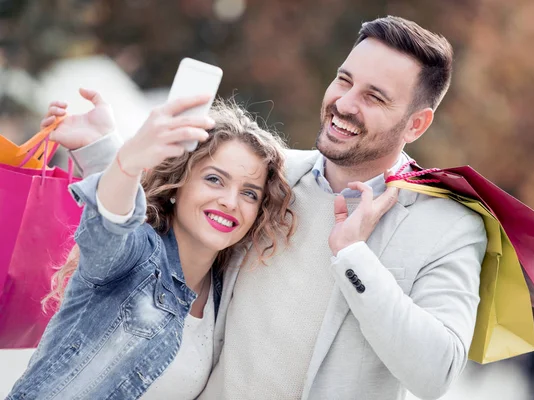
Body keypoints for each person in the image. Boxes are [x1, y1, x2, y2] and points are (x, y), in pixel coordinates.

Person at [38, 15, 487, 400]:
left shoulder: (448, 225)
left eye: (374, 97)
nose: (344, 104)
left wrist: (354, 260)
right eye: (344, 81)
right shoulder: (271, 175)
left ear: (417, 123)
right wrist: (104, 151)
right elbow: (173, 209)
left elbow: (437, 373)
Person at [7, 93, 296, 399]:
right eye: (214, 179)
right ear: (177, 184)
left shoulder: (223, 292)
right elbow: (113, 222)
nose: (230, 201)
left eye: (249, 193)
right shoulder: (134, 256)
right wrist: (124, 158)